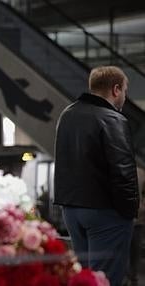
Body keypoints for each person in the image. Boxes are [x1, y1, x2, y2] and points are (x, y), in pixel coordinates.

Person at [54, 66, 140, 286]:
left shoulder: (67, 115)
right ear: (116, 89)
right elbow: (123, 170)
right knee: (105, 279)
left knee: (85, 278)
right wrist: (130, 212)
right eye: (124, 91)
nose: (124, 97)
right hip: (105, 213)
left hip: (71, 210)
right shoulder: (112, 119)